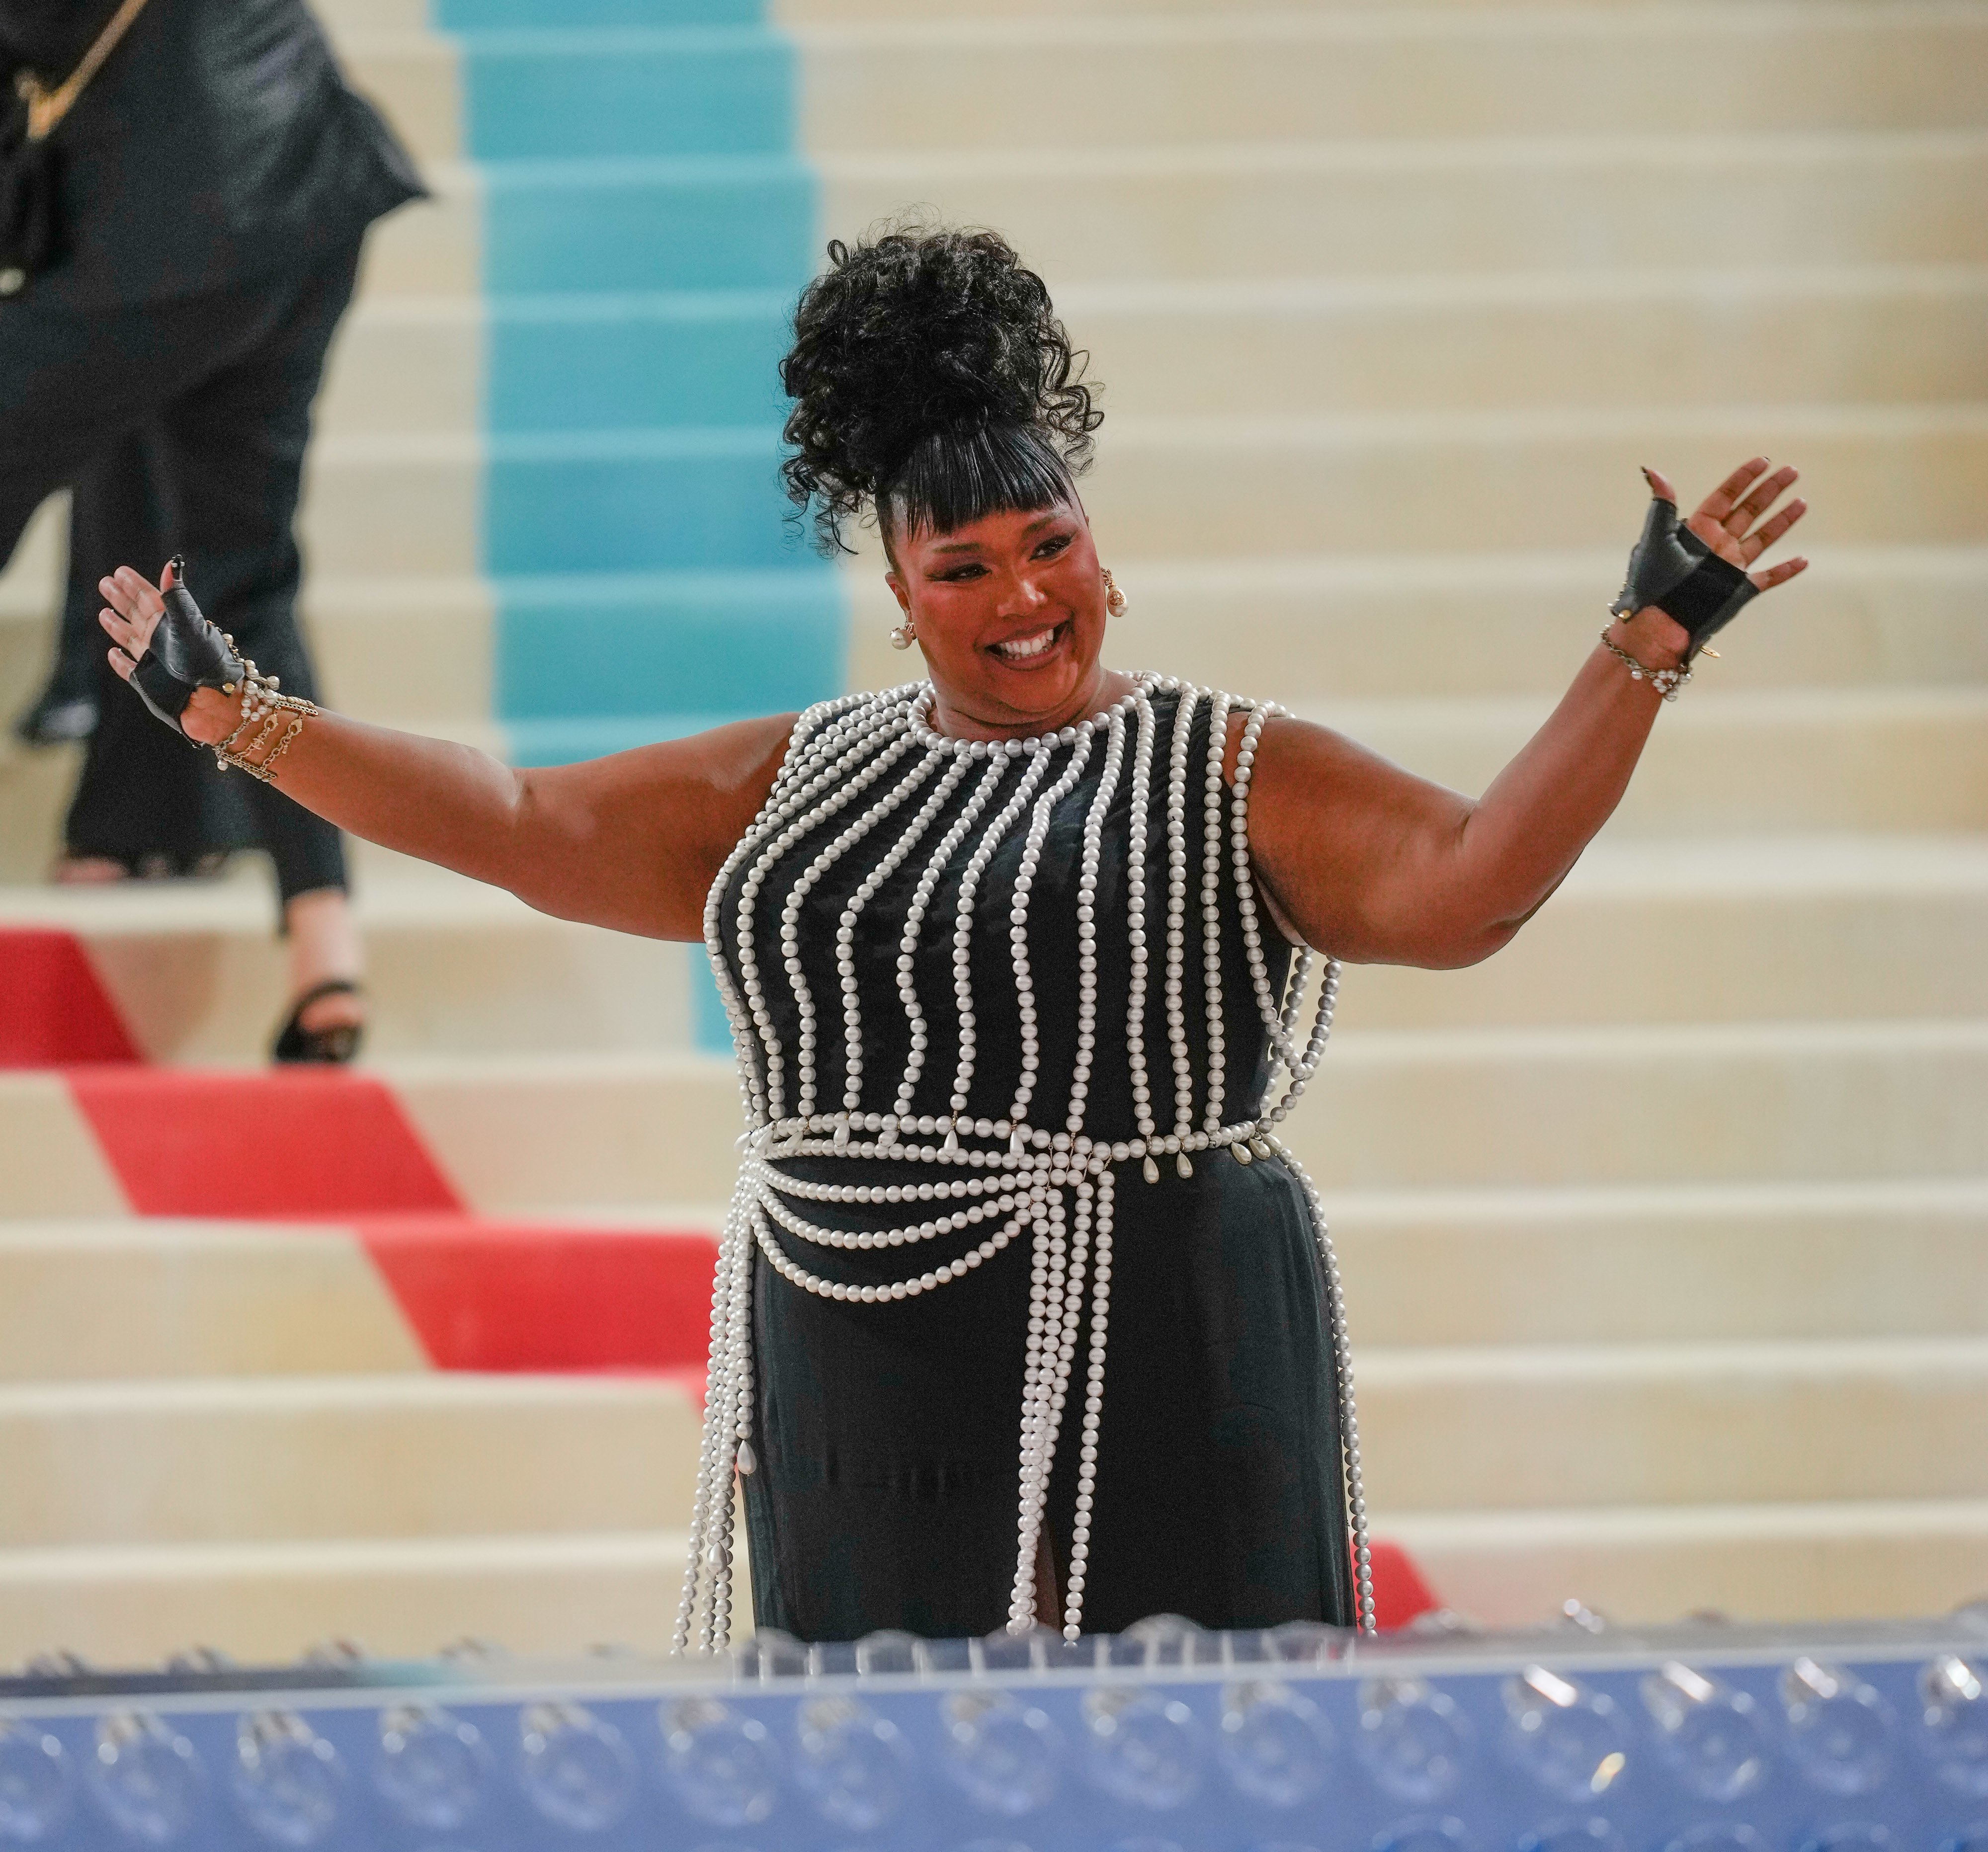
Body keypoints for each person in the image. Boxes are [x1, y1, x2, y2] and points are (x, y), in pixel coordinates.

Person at [92, 226, 1808, 1646]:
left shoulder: (1226, 761)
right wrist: (240, 718)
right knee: (894, 1778)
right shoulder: (798, 775)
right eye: (965, 567)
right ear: (897, 590)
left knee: (1188, 1779)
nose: (1023, 598)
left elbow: (1472, 882)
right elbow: (520, 821)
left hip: (1170, 1329)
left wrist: (1645, 641)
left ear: (1106, 558)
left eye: (1051, 546)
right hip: (854, 1358)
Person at [0, 0, 425, 1059]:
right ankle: (324, 942)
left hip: (170, 220)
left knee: (232, 579)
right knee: (239, 583)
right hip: (304, 190)